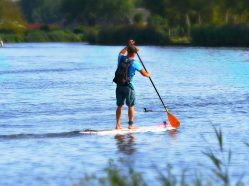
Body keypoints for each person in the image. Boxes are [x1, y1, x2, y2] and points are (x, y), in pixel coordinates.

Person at [115, 39, 150, 130]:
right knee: (131, 106)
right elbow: (144, 74)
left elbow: (120, 53)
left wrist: (128, 45)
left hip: (119, 85)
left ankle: (118, 125)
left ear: (128, 51)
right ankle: (130, 125)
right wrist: (148, 74)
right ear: (134, 53)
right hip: (129, 87)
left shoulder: (121, 58)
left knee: (119, 105)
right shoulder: (135, 63)